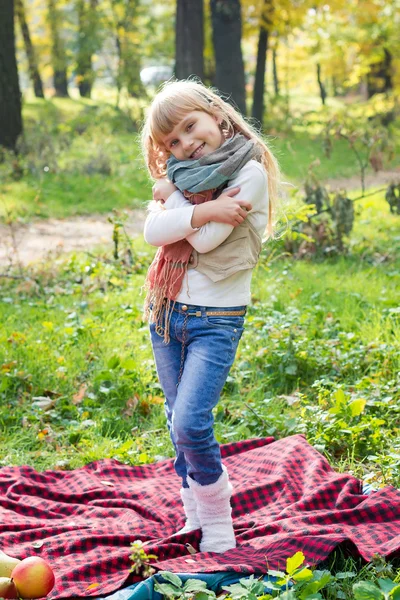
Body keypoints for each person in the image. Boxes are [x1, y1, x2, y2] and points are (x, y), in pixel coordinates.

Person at [141, 80, 280, 554]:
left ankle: (219, 521)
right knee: (174, 416)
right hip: (167, 313)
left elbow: (202, 242)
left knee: (190, 422)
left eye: (189, 126)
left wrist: (178, 200)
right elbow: (151, 231)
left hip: (216, 319)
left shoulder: (250, 173)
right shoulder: (182, 177)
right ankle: (193, 513)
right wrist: (195, 206)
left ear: (216, 115)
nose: (184, 144)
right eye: (171, 142)